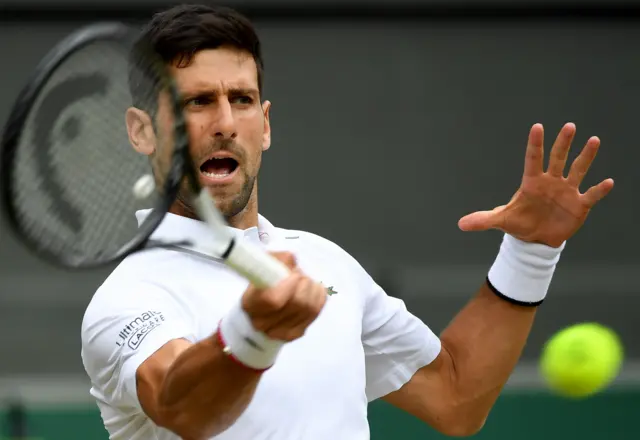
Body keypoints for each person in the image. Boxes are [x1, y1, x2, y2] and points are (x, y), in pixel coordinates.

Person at [80, 4, 615, 440]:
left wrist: (530, 252)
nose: (223, 123)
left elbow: (454, 397)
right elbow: (183, 407)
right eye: (197, 101)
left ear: (263, 125)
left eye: (240, 99)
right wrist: (252, 333)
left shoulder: (325, 261)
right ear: (142, 131)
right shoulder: (130, 296)